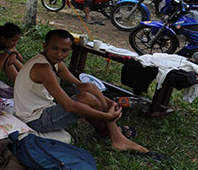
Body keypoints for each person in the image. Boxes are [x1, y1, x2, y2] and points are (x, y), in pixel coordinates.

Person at [14, 29, 157, 157]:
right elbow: (69, 106)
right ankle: (114, 134)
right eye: (54, 48)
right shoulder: (42, 68)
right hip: (35, 119)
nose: (59, 54)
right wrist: (106, 116)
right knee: (87, 99)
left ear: (70, 50)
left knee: (89, 87)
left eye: (64, 50)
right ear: (45, 47)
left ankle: (113, 134)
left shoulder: (54, 62)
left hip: (45, 107)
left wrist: (109, 102)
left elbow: (80, 85)